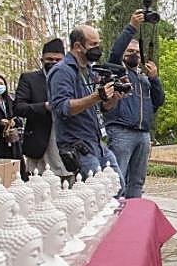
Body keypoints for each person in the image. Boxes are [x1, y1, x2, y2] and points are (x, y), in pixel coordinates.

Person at [105, 10, 166, 199]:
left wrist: (154, 79)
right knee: (118, 179)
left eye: (138, 53)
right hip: (122, 132)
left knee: (137, 181)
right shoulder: (117, 72)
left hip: (143, 135)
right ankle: (114, 218)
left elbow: (159, 101)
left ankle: (133, 217)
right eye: (130, 51)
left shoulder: (143, 79)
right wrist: (132, 27)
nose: (134, 55)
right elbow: (115, 53)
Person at [49, 24, 122, 180]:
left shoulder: (90, 71)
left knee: (118, 184)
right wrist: (96, 96)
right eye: (93, 44)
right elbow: (64, 108)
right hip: (78, 145)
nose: (97, 48)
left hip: (96, 142)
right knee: (96, 192)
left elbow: (100, 107)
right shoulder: (62, 71)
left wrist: (114, 97)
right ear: (78, 46)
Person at [15, 39, 71, 181]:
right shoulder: (29, 79)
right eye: (49, 59)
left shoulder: (71, 78)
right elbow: (19, 107)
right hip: (41, 144)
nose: (53, 62)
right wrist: (45, 106)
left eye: (58, 60)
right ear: (42, 60)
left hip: (66, 142)